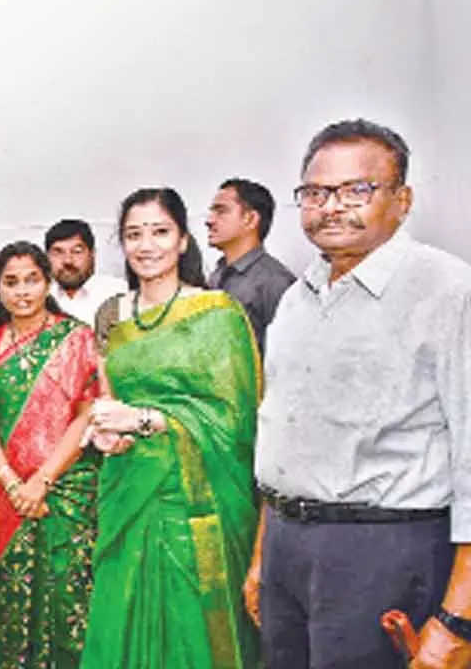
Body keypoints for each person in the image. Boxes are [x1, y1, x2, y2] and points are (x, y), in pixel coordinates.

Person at [250, 119, 471, 669]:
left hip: (383, 552)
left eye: (357, 190)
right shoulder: (298, 299)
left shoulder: (446, 291)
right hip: (287, 548)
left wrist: (457, 619)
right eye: (316, 193)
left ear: (403, 200)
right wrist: (262, 555)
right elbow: (282, 434)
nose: (332, 207)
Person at [80, 187, 261, 668]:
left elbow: (235, 422)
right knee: (123, 608)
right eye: (133, 234)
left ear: (183, 239)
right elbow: (108, 397)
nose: (146, 245)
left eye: (160, 232)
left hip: (194, 502)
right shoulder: (114, 314)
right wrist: (107, 433)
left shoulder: (216, 313)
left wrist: (146, 420)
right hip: (128, 490)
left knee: (187, 626)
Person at [0, 240, 101, 668]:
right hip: (13, 497)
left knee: (70, 591)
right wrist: (13, 483)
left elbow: (87, 414)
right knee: (15, 590)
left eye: (32, 280)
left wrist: (42, 480)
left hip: (70, 485)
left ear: (48, 284)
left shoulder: (78, 339)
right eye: (11, 282)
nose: (22, 291)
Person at [206, 177, 296, 354]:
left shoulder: (275, 283)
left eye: (221, 211)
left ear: (250, 219)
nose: (209, 220)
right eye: (211, 212)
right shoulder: (217, 274)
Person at [44, 219, 127, 325]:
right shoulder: (38, 297)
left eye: (77, 251)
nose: (68, 260)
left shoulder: (118, 292)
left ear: (93, 254)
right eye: (58, 252)